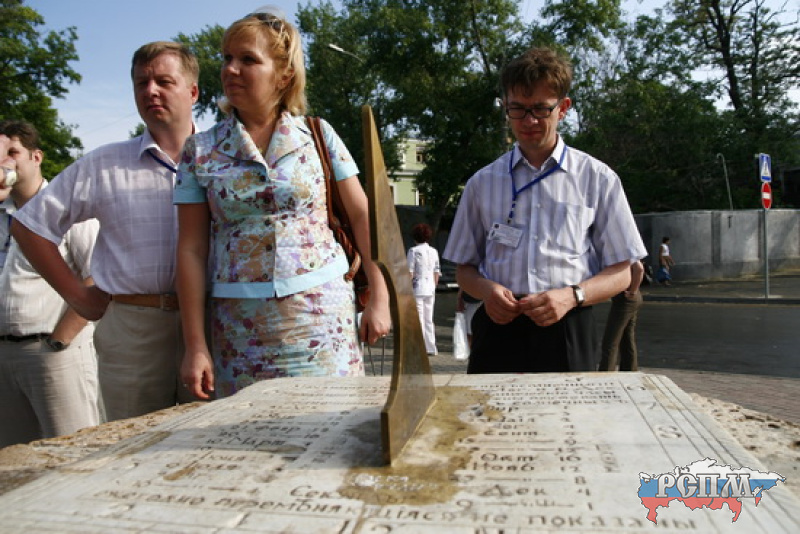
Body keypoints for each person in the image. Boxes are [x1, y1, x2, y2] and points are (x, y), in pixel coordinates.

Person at [174, 9, 391, 400]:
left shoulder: (319, 134)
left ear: (284, 75)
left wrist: (380, 295)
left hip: (323, 318)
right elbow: (190, 249)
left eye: (248, 59)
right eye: (227, 58)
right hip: (238, 328)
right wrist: (195, 345)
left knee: (333, 420)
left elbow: (364, 217)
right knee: (246, 429)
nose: (230, 69)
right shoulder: (199, 149)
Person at [11, 41, 200, 421]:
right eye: (141, 83)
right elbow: (29, 225)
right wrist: (78, 296)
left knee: (210, 440)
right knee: (134, 445)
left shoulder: (222, 158)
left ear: (193, 91)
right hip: (133, 329)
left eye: (164, 81)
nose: (151, 91)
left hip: (212, 323)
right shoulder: (104, 164)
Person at [443, 47, 647, 374]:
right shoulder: (481, 183)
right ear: (505, 107)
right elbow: (465, 269)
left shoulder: (597, 179)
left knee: (569, 409)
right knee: (488, 408)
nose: (529, 121)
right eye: (518, 109)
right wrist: (487, 291)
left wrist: (572, 295)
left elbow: (623, 272)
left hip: (568, 323)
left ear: (563, 108)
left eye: (541, 108)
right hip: (498, 325)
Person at [0, 121, 100, 447]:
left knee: (73, 451)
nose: (6, 162)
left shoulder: (67, 209)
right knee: (13, 461)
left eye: (14, 152)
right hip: (4, 356)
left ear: (36, 157)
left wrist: (59, 341)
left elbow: (98, 275)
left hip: (52, 352)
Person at [598, 260, 644, 372]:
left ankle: (606, 374)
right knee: (626, 338)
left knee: (610, 341)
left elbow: (639, 269)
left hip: (626, 299)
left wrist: (632, 291)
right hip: (628, 297)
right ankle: (630, 371)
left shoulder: (625, 250)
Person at [407, 223, 440, 355]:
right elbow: (436, 271)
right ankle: (431, 347)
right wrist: (434, 286)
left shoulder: (413, 251)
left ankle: (419, 347)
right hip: (430, 288)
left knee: (419, 319)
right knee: (428, 319)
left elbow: (410, 272)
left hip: (417, 288)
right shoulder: (434, 251)